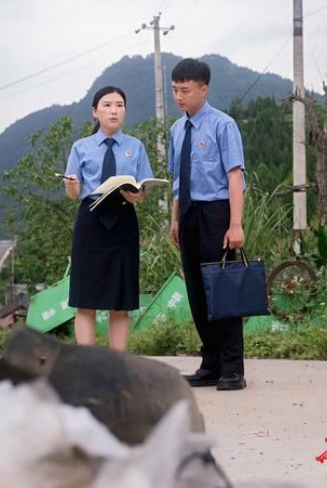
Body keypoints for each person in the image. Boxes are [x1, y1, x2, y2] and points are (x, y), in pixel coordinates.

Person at [167, 58, 248, 391]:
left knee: (222, 289)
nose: (178, 96)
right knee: (197, 292)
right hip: (188, 214)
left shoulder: (222, 125)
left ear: (204, 89)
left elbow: (235, 176)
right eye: (175, 90)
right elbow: (178, 179)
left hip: (217, 213)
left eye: (185, 90)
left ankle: (233, 369)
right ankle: (210, 364)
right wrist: (175, 219)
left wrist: (235, 224)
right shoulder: (176, 130)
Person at [64, 86, 154, 352]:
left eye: (119, 105)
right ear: (95, 111)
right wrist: (71, 185)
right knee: (85, 298)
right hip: (90, 222)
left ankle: (117, 363)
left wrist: (138, 195)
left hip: (123, 220)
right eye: (107, 105)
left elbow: (143, 190)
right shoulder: (81, 147)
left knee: (120, 300)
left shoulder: (135, 146)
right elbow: (74, 194)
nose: (114, 110)